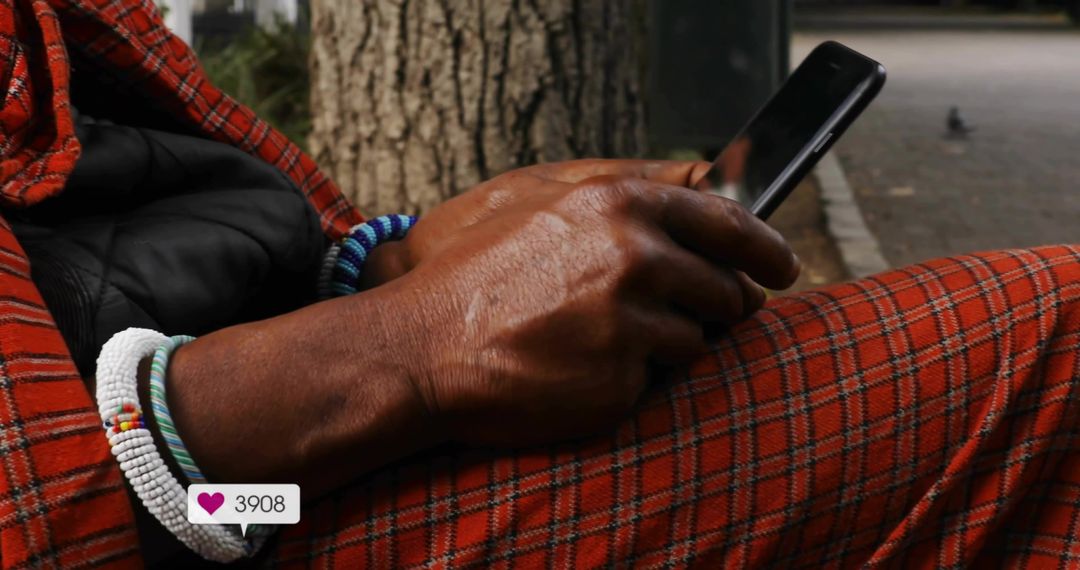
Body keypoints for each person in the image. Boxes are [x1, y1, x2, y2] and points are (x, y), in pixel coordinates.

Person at [1, 2, 1078, 568]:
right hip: (216, 508)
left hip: (244, 462)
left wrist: (388, 258)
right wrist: (407, 349)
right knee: (1052, 337)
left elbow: (120, 217)